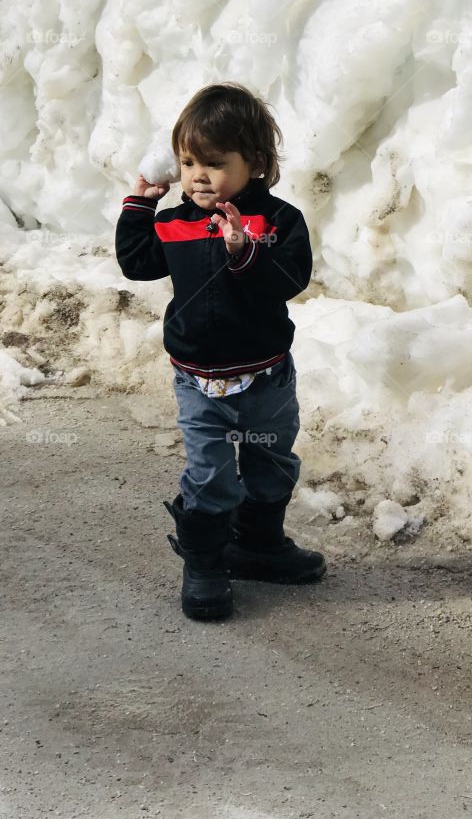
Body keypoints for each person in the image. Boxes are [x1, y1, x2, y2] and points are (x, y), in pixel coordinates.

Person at [115, 82, 325, 621]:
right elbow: (136, 263)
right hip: (199, 380)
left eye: (214, 163)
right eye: (188, 163)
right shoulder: (175, 222)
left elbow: (291, 280)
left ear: (255, 163)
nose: (198, 176)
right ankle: (205, 564)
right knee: (210, 473)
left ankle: (258, 544)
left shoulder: (277, 222)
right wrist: (141, 202)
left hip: (266, 378)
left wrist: (246, 252)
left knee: (271, 462)